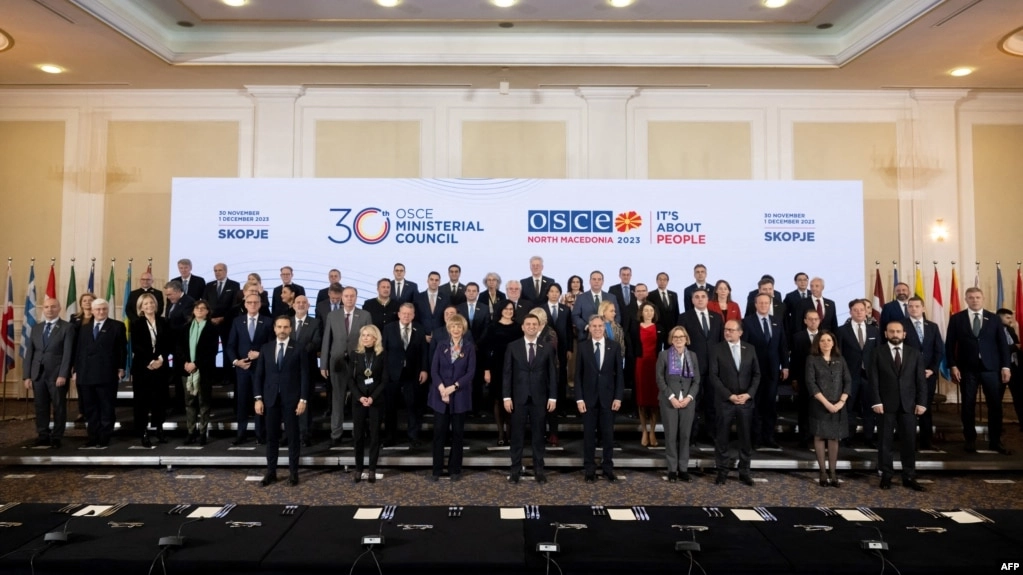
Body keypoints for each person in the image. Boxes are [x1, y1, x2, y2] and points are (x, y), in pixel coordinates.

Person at [945, 287, 1012, 455]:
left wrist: (1006, 366)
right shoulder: (957, 319)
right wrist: (953, 365)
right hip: (967, 369)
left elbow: (1003, 344)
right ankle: (970, 440)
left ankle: (995, 441)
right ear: (966, 299)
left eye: (977, 297)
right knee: (968, 405)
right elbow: (950, 345)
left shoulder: (994, 318)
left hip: (991, 369)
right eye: (971, 297)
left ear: (983, 299)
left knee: (995, 405)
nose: (974, 300)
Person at [869, 321, 928, 491]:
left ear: (904, 334)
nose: (895, 334)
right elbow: (873, 380)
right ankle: (886, 475)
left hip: (909, 405)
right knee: (885, 442)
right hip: (885, 405)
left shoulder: (914, 353)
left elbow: (920, 381)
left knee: (909, 442)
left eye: (898, 331)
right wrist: (876, 401)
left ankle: (909, 476)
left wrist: (922, 402)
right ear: (886, 334)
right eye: (891, 331)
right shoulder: (877, 352)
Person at [254, 315, 310, 487]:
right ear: (274, 328)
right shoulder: (266, 348)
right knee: (271, 438)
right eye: (279, 327)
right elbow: (259, 375)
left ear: (290, 329)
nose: (282, 330)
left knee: (293, 437)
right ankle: (271, 472)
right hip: (270, 399)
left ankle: (293, 474)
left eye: (285, 327)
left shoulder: (299, 348)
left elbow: (305, 376)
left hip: (292, 400)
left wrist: (303, 399)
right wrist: (258, 398)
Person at [503, 314, 558, 484]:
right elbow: (507, 373)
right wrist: (506, 397)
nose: (531, 327)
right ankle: (515, 470)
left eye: (535, 324)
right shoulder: (513, 346)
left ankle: (539, 470)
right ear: (523, 327)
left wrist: (553, 397)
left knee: (538, 436)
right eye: (528, 324)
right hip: (518, 398)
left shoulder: (547, 347)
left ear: (539, 327)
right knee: (517, 436)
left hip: (539, 398)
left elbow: (552, 374)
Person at [709, 319, 760, 486]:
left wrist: (749, 394)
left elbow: (756, 374)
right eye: (726, 329)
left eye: (731, 330)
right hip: (725, 401)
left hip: (745, 401)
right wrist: (729, 395)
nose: (727, 332)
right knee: (722, 438)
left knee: (745, 438)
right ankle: (722, 471)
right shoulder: (717, 349)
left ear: (740, 332)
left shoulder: (750, 349)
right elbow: (713, 376)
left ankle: (744, 472)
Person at [576, 314, 624, 483]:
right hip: (588, 400)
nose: (597, 329)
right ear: (589, 328)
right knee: (589, 436)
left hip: (608, 399)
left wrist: (618, 397)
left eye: (600, 326)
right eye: (594, 326)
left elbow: (619, 375)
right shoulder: (582, 347)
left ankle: (607, 468)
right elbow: (578, 375)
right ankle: (589, 470)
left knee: (608, 436)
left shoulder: (614, 346)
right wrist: (579, 399)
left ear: (604, 328)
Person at [321, 286, 372, 447]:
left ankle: (359, 433)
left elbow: (370, 340)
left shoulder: (365, 315)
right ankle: (336, 434)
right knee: (337, 399)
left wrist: (369, 363)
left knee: (359, 399)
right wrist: (323, 364)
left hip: (359, 363)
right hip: (337, 363)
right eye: (346, 296)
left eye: (352, 296)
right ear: (342, 298)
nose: (349, 298)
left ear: (356, 297)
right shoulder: (332, 315)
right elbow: (326, 340)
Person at [74, 298, 127, 447]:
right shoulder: (83, 328)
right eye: (98, 309)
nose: (101, 311)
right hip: (86, 374)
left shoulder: (117, 326)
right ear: (92, 311)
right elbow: (78, 351)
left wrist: (121, 368)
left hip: (107, 373)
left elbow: (122, 349)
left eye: (104, 309)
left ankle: (104, 437)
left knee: (106, 407)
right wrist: (75, 370)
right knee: (90, 408)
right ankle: (93, 437)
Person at [22, 297, 74, 449]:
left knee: (58, 406)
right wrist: (27, 376)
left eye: (53, 307)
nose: (49, 310)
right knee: (40, 406)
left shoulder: (67, 327)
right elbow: (30, 353)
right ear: (43, 309)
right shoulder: (36, 328)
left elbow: (68, 353)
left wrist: (63, 374)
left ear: (59, 309)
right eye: (46, 307)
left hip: (56, 375)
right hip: (37, 374)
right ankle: (43, 435)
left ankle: (57, 436)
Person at [429, 314, 476, 481]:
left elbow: (470, 373)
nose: (456, 329)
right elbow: (434, 370)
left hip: (460, 395)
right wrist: (442, 389)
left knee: (457, 434)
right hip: (440, 395)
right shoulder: (441, 345)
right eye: (453, 326)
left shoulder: (469, 347)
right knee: (439, 434)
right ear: (449, 328)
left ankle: (455, 469)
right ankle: (436, 470)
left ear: (463, 329)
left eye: (459, 326)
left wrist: (453, 387)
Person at [741, 293, 789, 448]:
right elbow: (744, 347)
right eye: (760, 303)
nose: (763, 305)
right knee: (755, 405)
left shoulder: (777, 321)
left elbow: (782, 345)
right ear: (755, 304)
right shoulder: (747, 322)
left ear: (770, 304)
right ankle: (755, 439)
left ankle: (769, 437)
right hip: (753, 371)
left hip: (773, 370)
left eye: (766, 303)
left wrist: (785, 366)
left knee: (770, 405)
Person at [805, 331, 851, 487]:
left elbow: (848, 381)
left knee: (833, 438)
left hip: (838, 405)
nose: (826, 343)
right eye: (822, 340)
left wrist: (841, 402)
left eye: (829, 340)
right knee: (819, 437)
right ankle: (823, 473)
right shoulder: (812, 359)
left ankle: (833, 473)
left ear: (833, 343)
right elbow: (811, 383)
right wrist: (826, 403)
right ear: (817, 344)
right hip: (820, 404)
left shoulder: (840, 359)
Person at [226, 294, 273, 445]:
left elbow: (272, 345)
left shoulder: (268, 321)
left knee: (260, 400)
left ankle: (260, 434)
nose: (252, 304)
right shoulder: (237, 321)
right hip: (242, 368)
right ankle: (241, 434)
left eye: (255, 302)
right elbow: (230, 345)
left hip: (261, 368)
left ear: (260, 304)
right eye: (249, 302)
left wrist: (260, 354)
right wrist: (236, 362)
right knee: (242, 401)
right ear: (245, 304)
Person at [678, 290, 723, 443]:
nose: (700, 299)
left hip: (713, 368)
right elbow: (680, 343)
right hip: (691, 367)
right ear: (692, 300)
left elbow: (720, 343)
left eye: (703, 296)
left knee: (712, 403)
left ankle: (711, 434)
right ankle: (691, 436)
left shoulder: (717, 317)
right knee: (692, 403)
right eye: (696, 297)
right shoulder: (684, 317)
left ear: (708, 299)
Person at [656, 326, 700, 482]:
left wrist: (689, 397)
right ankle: (672, 470)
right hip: (670, 401)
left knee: (685, 436)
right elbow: (660, 379)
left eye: (681, 337)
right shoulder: (664, 355)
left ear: (686, 339)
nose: (679, 340)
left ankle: (683, 469)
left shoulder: (692, 356)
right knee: (671, 436)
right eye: (675, 337)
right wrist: (672, 397)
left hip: (687, 402)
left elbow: (696, 381)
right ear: (671, 339)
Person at [382, 303, 429, 447]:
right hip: (392, 374)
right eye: (404, 313)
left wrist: (424, 369)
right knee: (390, 407)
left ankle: (413, 436)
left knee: (412, 406)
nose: (406, 316)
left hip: (412, 373)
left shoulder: (419, 329)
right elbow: (383, 351)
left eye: (409, 314)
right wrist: (384, 372)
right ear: (399, 314)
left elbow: (424, 351)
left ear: (413, 315)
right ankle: (390, 437)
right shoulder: (388, 328)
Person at [131, 293, 173, 447]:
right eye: (146, 304)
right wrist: (150, 361)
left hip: (161, 367)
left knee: (160, 399)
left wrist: (160, 359)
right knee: (142, 401)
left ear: (156, 304)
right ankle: (143, 432)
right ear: (141, 307)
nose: (149, 306)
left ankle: (159, 429)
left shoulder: (164, 321)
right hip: (143, 367)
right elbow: (136, 346)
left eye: (151, 303)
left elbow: (169, 343)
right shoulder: (136, 323)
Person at [836, 298, 880, 447]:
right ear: (850, 312)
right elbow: (839, 355)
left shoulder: (874, 331)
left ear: (867, 311)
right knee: (849, 408)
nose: (859, 312)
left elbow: (878, 354)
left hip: (869, 377)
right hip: (849, 376)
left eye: (862, 309)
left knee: (869, 408)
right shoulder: (842, 330)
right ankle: (847, 437)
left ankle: (869, 438)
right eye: (855, 310)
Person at [902, 296, 944, 450]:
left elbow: (939, 350)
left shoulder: (932, 326)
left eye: (917, 306)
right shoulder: (901, 326)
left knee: (925, 407)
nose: (913, 309)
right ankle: (909, 442)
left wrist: (932, 369)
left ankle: (927, 442)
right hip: (907, 375)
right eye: (910, 306)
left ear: (923, 308)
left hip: (928, 375)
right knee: (908, 409)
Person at [176, 299, 219, 446]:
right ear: (193, 311)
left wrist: (196, 364)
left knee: (204, 403)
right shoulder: (185, 328)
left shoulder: (212, 329)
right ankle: (191, 432)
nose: (199, 310)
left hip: (204, 371)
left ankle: (202, 433)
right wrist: (186, 363)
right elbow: (179, 348)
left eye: (203, 308)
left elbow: (212, 351)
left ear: (207, 311)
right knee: (189, 403)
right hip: (187, 370)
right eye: (197, 308)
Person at [350, 325, 387, 483]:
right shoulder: (355, 355)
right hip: (359, 401)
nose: (365, 338)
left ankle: (372, 469)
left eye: (368, 335)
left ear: (375, 338)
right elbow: (350, 380)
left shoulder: (382, 355)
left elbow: (384, 380)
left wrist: (372, 397)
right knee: (358, 436)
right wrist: (360, 397)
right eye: (363, 335)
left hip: (375, 401)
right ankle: (358, 469)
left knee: (374, 436)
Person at [483, 300, 520, 446]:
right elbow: (487, 349)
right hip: (496, 367)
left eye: (511, 309)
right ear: (500, 310)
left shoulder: (518, 327)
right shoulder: (492, 327)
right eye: (506, 309)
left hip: (515, 367)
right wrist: (486, 370)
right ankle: (500, 433)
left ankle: (510, 433)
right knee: (498, 400)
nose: (509, 311)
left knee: (512, 399)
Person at [291, 295, 322, 447]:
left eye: (304, 302)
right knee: (289, 402)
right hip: (288, 370)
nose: (301, 304)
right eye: (298, 302)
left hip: (307, 368)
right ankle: (290, 434)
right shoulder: (286, 322)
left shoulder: (315, 323)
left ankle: (305, 435)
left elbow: (315, 342)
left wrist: (297, 352)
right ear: (293, 305)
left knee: (305, 402)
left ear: (308, 306)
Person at [541, 284, 570, 442]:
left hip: (562, 349)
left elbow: (568, 330)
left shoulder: (565, 309)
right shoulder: (541, 309)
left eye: (557, 291)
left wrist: (570, 348)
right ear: (547, 294)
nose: (554, 294)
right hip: (545, 350)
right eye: (551, 291)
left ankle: (561, 406)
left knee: (561, 378)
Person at [788, 309, 821, 449]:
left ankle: (819, 438)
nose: (813, 321)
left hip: (822, 380)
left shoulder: (825, 336)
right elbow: (794, 359)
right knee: (804, 410)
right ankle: (804, 439)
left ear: (819, 321)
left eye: (816, 319)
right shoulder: (798, 337)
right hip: (803, 378)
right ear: (805, 321)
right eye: (810, 319)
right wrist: (794, 378)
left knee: (819, 410)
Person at [631, 301, 662, 447]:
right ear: (641, 313)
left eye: (651, 310)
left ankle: (652, 431)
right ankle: (644, 430)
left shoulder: (660, 328)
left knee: (654, 401)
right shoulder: (635, 328)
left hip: (655, 364)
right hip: (641, 364)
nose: (649, 313)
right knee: (642, 400)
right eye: (646, 310)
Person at [457, 282, 489, 416]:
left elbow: (486, 328)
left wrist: (476, 344)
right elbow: (457, 327)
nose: (471, 293)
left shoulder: (485, 308)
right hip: (461, 348)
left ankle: (476, 410)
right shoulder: (459, 308)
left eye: (474, 291)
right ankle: (463, 409)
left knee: (477, 381)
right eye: (469, 290)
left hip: (479, 350)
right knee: (462, 378)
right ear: (465, 293)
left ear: (478, 293)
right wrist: (467, 344)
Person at [69, 291, 96, 423]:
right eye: (84, 300)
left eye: (90, 300)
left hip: (93, 355)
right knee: (80, 385)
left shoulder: (97, 317)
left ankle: (93, 411)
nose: (87, 302)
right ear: (81, 303)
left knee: (92, 386)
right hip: (78, 355)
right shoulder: (74, 318)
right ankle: (82, 412)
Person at [571, 270, 620, 339]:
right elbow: (575, 316)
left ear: (603, 282)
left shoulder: (611, 297)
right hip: (586, 336)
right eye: (594, 279)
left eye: (599, 279)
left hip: (608, 336)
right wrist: (587, 327)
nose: (596, 281)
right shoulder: (581, 298)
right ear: (590, 281)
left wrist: (610, 327)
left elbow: (617, 315)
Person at [997, 308, 1023, 432]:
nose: (1011, 320)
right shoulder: (992, 330)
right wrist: (1013, 347)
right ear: (999, 317)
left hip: (1014, 368)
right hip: (999, 369)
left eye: (1011, 317)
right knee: (997, 399)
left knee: (1019, 397)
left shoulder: (1011, 330)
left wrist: (1015, 347)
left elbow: (1018, 346)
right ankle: (997, 427)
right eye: (1007, 318)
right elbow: (996, 349)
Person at [414, 271, 448, 339]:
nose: (434, 282)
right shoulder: (418, 297)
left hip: (441, 337)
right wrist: (422, 335)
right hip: (422, 337)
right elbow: (415, 319)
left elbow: (447, 318)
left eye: (436, 280)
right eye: (432, 279)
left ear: (439, 282)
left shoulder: (446, 298)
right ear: (427, 281)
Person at [648, 272, 680, 336]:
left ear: (667, 281)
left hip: (672, 327)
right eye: (660, 279)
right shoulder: (651, 295)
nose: (662, 281)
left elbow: (676, 311)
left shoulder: (673, 294)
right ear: (656, 281)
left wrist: (677, 326)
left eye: (664, 279)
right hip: (658, 327)